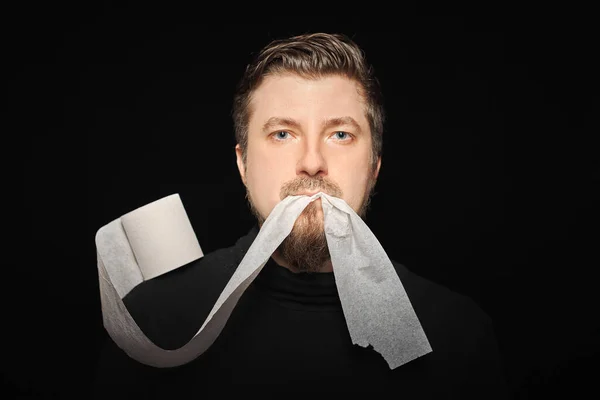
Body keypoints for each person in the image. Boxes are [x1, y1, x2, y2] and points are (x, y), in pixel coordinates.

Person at [91, 33, 509, 397]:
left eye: (340, 134)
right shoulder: (153, 321)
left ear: (374, 166)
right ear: (243, 164)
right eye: (283, 134)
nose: (311, 163)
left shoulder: (457, 336)